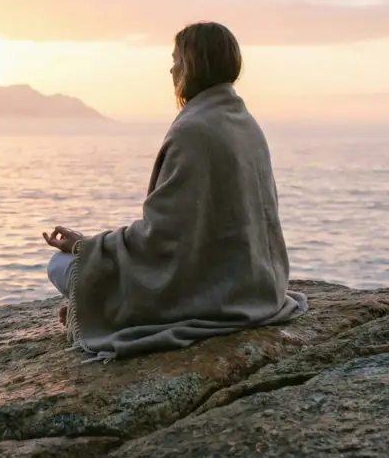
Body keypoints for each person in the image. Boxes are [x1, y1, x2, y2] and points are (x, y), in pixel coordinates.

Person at [42, 21, 307, 362]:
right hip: (259, 283)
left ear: (194, 63)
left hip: (214, 291)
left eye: (177, 59)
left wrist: (87, 247)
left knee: (60, 265)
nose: (171, 68)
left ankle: (104, 311)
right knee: (85, 269)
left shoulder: (192, 130)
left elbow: (164, 240)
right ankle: (94, 306)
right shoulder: (245, 122)